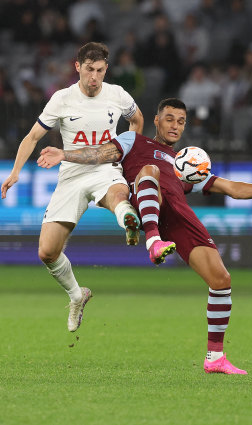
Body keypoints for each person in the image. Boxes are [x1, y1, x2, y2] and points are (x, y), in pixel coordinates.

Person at [37, 98, 252, 375]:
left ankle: (215, 357)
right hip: (145, 203)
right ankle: (153, 240)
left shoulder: (183, 163)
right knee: (149, 171)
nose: (175, 126)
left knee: (221, 279)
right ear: (156, 120)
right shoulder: (134, 141)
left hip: (178, 216)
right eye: (169, 119)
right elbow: (100, 154)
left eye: (180, 121)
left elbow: (229, 187)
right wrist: (65, 154)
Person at [1, 42, 144, 333]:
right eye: (89, 70)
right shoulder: (62, 99)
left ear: (106, 70)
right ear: (77, 67)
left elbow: (137, 120)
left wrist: (126, 152)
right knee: (47, 252)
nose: (94, 77)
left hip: (106, 168)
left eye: (100, 70)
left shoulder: (117, 94)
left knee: (117, 194)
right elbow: (32, 137)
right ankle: (77, 295)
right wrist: (15, 172)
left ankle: (128, 217)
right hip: (72, 175)